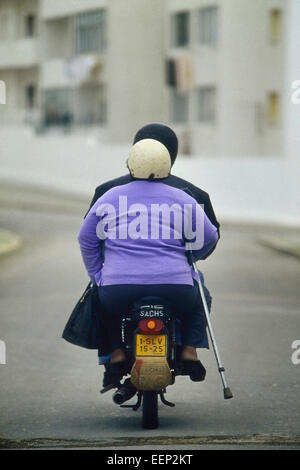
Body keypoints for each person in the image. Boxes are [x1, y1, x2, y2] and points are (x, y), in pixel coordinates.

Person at [78, 136, 219, 390]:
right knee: (200, 297)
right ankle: (189, 350)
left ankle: (117, 355)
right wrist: (191, 259)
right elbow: (209, 236)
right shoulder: (182, 198)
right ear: (168, 166)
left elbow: (86, 239)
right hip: (175, 287)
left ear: (130, 165)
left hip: (119, 288)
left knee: (101, 302)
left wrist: (98, 276)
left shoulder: (110, 197)